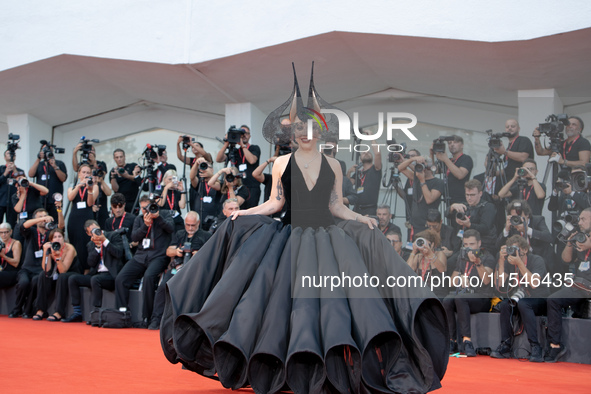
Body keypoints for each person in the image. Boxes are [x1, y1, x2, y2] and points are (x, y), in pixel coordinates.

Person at [160, 69, 448, 394]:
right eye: (299, 129)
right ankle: (278, 366)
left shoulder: (335, 165)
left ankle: (331, 368)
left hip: (328, 238)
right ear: (294, 134)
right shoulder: (281, 164)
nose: (304, 133)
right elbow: (273, 205)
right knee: (276, 305)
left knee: (332, 305)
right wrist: (245, 212)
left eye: (310, 128)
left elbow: (337, 206)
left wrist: (360, 218)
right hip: (289, 238)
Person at [115, 195, 174, 326]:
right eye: (142, 208)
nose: (145, 211)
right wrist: (145, 226)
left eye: (147, 208)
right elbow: (134, 237)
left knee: (148, 277)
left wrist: (157, 217)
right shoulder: (139, 219)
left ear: (153, 206)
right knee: (121, 278)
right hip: (141, 256)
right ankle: (122, 314)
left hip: (158, 256)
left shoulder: (163, 214)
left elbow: (171, 228)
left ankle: (147, 317)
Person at [490, 235, 549, 362]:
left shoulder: (537, 260)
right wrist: (501, 260)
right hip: (520, 298)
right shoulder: (509, 262)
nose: (513, 253)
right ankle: (505, 344)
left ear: (525, 250)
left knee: (523, 304)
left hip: (539, 298)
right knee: (505, 304)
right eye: (511, 249)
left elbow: (534, 283)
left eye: (516, 249)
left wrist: (520, 263)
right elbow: (499, 284)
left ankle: (535, 346)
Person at [149, 211, 211, 330]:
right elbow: (168, 251)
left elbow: (210, 254)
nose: (190, 228)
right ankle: (156, 319)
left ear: (198, 223)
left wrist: (198, 254)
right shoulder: (179, 234)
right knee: (163, 288)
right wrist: (177, 251)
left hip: (195, 270)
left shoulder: (205, 236)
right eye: (188, 225)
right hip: (177, 268)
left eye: (193, 225)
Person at [544, 208, 591, 362]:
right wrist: (570, 243)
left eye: (583, 219)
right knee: (553, 300)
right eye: (580, 219)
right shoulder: (581, 237)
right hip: (580, 286)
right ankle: (555, 346)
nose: (580, 222)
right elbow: (565, 259)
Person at [443, 229, 495, 356]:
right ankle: (452, 340)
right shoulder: (461, 257)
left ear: (479, 243)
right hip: (463, 294)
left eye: (471, 244)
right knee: (447, 300)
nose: (468, 248)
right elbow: (451, 282)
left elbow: (487, 280)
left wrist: (477, 263)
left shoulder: (487, 257)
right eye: (465, 245)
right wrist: (460, 278)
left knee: (460, 298)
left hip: (482, 297)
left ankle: (467, 341)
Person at [63, 220, 125, 323]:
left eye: (97, 230)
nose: (96, 233)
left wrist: (104, 241)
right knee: (73, 278)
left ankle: (96, 313)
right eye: (92, 231)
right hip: (96, 274)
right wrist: (97, 247)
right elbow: (91, 263)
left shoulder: (113, 235)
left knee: (96, 279)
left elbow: (118, 253)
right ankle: (77, 312)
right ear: (88, 234)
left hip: (112, 275)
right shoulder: (90, 244)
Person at [8, 209, 54, 318]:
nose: (43, 219)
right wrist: (41, 218)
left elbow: (61, 227)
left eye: (45, 216)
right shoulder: (32, 231)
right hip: (27, 268)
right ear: (36, 219)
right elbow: (24, 225)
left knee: (35, 282)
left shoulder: (51, 233)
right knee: (23, 283)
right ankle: (17, 308)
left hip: (40, 270)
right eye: (40, 217)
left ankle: (27, 310)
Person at [32, 228, 81, 321]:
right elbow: (47, 269)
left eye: (60, 236)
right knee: (43, 274)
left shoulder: (70, 248)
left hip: (70, 274)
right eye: (55, 237)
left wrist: (57, 257)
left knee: (62, 277)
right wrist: (46, 253)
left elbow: (63, 270)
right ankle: (41, 309)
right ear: (51, 240)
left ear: (63, 238)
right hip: (57, 274)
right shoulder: (51, 248)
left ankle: (59, 311)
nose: (57, 239)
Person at [495, 200, 555, 273]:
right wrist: (506, 230)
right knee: (500, 254)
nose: (517, 219)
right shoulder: (512, 225)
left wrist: (527, 230)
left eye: (519, 216)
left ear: (527, 214)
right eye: (514, 217)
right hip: (521, 256)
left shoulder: (538, 220)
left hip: (539, 256)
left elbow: (548, 237)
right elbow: (498, 246)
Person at [215, 125, 261, 209]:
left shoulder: (254, 148)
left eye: (246, 133)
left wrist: (242, 145)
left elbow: (252, 160)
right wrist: (226, 144)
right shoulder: (235, 151)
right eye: (241, 134)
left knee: (250, 212)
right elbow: (218, 159)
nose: (243, 135)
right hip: (239, 187)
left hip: (252, 186)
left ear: (250, 136)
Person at [398, 155, 444, 235]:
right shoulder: (416, 178)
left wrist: (422, 180)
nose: (421, 168)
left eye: (423, 165)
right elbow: (400, 168)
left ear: (429, 167)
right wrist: (412, 159)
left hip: (429, 224)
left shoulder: (438, 182)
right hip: (415, 224)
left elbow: (429, 199)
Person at [448, 179, 497, 254]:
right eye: (467, 195)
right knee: (450, 263)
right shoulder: (464, 206)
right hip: (463, 245)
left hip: (483, 246)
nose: (469, 198)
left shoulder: (488, 207)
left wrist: (469, 225)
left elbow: (485, 228)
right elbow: (447, 215)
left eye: (472, 195)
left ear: (480, 193)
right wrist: (452, 207)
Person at [67, 164, 99, 272]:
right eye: (83, 172)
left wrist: (89, 189)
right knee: (75, 242)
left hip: (87, 217)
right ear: (79, 173)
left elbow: (90, 203)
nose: (86, 174)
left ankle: (87, 269)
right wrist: (79, 185)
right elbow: (70, 197)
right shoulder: (72, 185)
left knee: (86, 242)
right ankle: (76, 268)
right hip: (74, 218)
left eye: (88, 173)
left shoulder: (94, 186)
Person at [28, 142, 68, 222]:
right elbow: (30, 174)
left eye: (48, 150)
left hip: (55, 199)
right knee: (41, 221)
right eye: (44, 150)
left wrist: (55, 166)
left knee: (55, 221)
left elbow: (63, 178)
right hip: (40, 199)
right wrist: (38, 158)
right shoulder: (39, 164)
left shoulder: (59, 163)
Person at [432, 135, 473, 205]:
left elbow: (460, 175)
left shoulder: (466, 158)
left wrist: (446, 159)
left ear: (462, 145)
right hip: (448, 199)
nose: (452, 145)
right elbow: (433, 171)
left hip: (461, 200)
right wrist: (431, 154)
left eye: (455, 142)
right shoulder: (449, 160)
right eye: (449, 143)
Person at [406, 230, 448, 298]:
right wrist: (413, 252)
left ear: (432, 244)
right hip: (421, 293)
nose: (423, 245)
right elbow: (407, 271)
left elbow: (442, 269)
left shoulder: (440, 254)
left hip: (437, 293)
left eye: (425, 243)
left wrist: (430, 254)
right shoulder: (418, 256)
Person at [348, 136, 382, 216]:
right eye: (363, 153)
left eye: (369, 152)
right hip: (356, 209)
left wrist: (371, 136)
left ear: (373, 158)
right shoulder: (358, 173)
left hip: (370, 210)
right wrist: (349, 172)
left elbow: (377, 153)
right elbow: (348, 185)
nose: (366, 153)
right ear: (360, 159)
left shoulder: (375, 169)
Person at [189, 157, 220, 230]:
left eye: (207, 167)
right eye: (203, 167)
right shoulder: (200, 182)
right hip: (200, 219)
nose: (204, 170)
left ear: (212, 170)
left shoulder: (218, 182)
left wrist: (211, 176)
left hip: (214, 219)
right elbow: (192, 177)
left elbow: (218, 187)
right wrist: (196, 163)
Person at [0, 150, 23, 227]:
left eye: (12, 154)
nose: (10, 155)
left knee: (11, 224)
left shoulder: (19, 171)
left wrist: (14, 170)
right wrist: (5, 173)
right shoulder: (1, 169)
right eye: (8, 153)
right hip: (1, 200)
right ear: (4, 157)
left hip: (13, 202)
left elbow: (22, 182)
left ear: (15, 157)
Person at [0, 223, 22, 289]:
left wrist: (3, 256)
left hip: (13, 272)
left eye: (6, 232)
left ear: (11, 232)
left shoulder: (16, 243)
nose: (3, 235)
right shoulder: (1, 244)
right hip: (2, 271)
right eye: (1, 232)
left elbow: (16, 263)